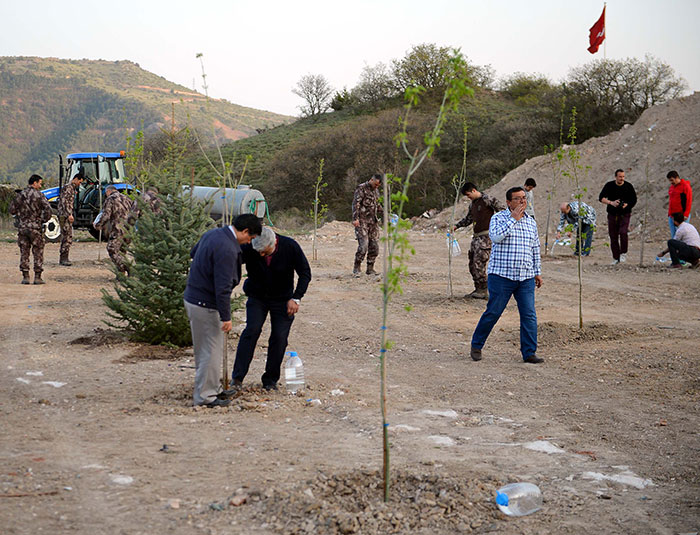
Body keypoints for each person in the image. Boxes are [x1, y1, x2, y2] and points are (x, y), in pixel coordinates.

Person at [184, 214, 262, 408]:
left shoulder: (213, 234)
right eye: (250, 238)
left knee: (206, 350)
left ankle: (210, 387)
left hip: (194, 297)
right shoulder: (228, 249)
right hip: (205, 304)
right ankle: (205, 397)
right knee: (210, 352)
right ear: (244, 231)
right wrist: (226, 317)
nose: (249, 242)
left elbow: (194, 253)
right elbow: (223, 287)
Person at [231, 227, 312, 391]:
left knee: (279, 337)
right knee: (251, 331)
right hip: (257, 297)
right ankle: (237, 378)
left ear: (273, 242)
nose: (260, 255)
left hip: (283, 299)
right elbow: (231, 260)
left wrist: (296, 298)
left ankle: (270, 380)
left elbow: (305, 272)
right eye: (258, 252)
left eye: (264, 252)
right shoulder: (251, 247)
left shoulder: (290, 246)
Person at [469, 187, 543, 364]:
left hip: (525, 277)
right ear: (509, 203)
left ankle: (529, 353)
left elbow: (535, 248)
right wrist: (513, 220)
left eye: (524, 198)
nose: (522, 201)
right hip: (501, 276)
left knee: (529, 315)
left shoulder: (531, 222)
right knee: (493, 312)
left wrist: (537, 272)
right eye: (518, 199)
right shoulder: (498, 218)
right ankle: (476, 345)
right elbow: (495, 238)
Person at [454, 182, 505, 299]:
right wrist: (456, 226)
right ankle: (479, 288)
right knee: (472, 263)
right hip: (476, 237)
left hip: (486, 237)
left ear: (473, 190)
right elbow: (468, 219)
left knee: (479, 263)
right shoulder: (473, 205)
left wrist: (499, 229)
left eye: (468, 194)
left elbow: (503, 211)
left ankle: (484, 290)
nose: (468, 197)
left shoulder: (488, 200)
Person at [9, 174, 52, 285]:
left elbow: (12, 210)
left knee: (24, 252)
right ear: (35, 183)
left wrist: (21, 216)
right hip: (36, 228)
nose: (40, 185)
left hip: (23, 228)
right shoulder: (39, 195)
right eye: (40, 183)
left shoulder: (20, 195)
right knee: (38, 252)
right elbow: (48, 210)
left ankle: (26, 277)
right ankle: (37, 277)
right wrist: (42, 220)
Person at [599, 169, 637, 264]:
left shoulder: (628, 186)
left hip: (625, 214)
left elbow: (634, 199)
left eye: (623, 176)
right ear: (616, 176)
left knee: (623, 232)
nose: (622, 178)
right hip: (612, 214)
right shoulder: (609, 185)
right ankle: (616, 258)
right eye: (620, 176)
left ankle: (623, 252)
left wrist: (627, 205)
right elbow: (601, 198)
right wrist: (611, 202)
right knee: (613, 236)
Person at [94, 186, 134, 275]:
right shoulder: (127, 198)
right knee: (122, 252)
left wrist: (98, 225)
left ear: (108, 191)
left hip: (118, 229)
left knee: (112, 249)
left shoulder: (110, 199)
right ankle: (121, 274)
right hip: (128, 229)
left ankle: (128, 268)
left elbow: (106, 215)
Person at [352, 173, 381, 275]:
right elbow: (356, 204)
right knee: (363, 246)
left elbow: (377, 205)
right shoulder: (361, 188)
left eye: (378, 186)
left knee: (375, 247)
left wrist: (386, 214)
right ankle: (357, 266)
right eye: (375, 184)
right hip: (362, 221)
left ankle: (370, 268)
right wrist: (355, 219)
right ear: (372, 180)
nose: (376, 187)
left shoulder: (376, 191)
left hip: (373, 222)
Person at [57, 171, 85, 266]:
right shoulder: (68, 188)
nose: (79, 184)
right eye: (79, 182)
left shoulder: (70, 188)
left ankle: (64, 257)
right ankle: (63, 258)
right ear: (75, 179)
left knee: (67, 236)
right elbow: (65, 202)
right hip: (65, 215)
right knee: (67, 236)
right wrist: (69, 214)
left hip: (65, 214)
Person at [667, 171, 692, 238]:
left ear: (677, 178)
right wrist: (669, 214)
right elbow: (671, 201)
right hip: (672, 215)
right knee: (673, 235)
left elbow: (689, 201)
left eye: (672, 180)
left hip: (681, 215)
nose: (671, 182)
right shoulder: (672, 187)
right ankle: (674, 248)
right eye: (670, 181)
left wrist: (686, 214)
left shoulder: (685, 186)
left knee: (682, 235)